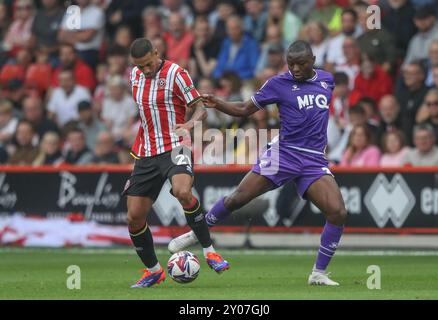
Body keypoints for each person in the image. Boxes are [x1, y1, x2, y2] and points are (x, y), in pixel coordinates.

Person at [169, 40, 347, 286]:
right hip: (283, 153)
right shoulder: (278, 83)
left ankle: (318, 273)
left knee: (337, 212)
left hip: (313, 160)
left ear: (313, 61)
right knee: (238, 198)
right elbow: (244, 109)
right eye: (291, 64)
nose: (295, 69)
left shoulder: (327, 80)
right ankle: (197, 233)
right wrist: (218, 102)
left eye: (301, 64)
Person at [124, 38, 229, 288]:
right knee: (134, 218)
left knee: (183, 192)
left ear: (156, 53)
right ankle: (153, 271)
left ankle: (210, 251)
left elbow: (200, 108)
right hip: (146, 152)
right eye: (140, 66)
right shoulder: (135, 76)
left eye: (149, 64)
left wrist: (190, 125)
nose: (146, 70)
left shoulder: (176, 73)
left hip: (176, 145)